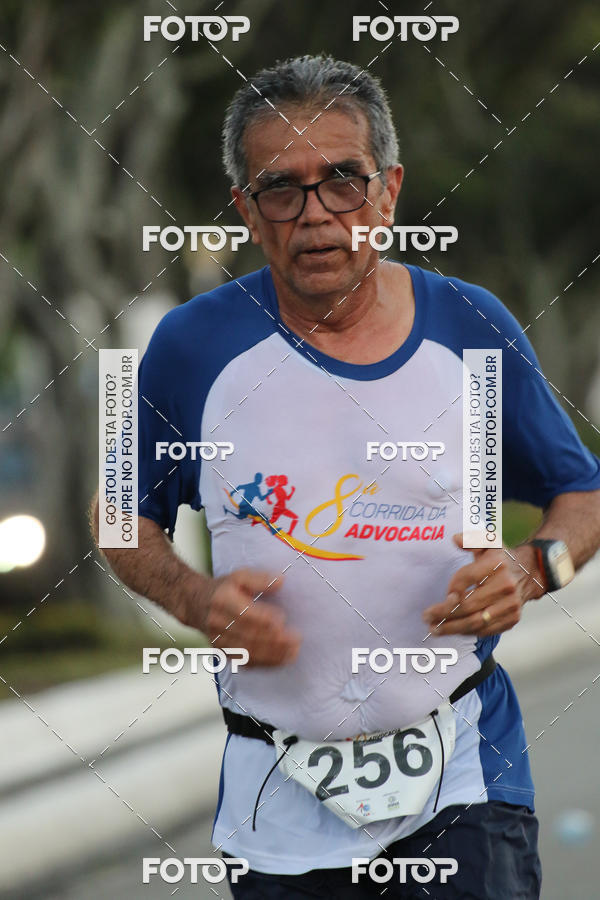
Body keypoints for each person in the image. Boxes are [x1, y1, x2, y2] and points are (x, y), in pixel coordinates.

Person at [92, 55, 600, 898]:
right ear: (248, 214)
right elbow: (117, 515)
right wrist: (190, 597)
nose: (317, 215)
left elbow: (581, 493)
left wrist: (533, 567)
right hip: (276, 798)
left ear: (390, 192)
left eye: (344, 182)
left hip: (464, 774)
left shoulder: (473, 329)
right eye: (281, 190)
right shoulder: (191, 347)